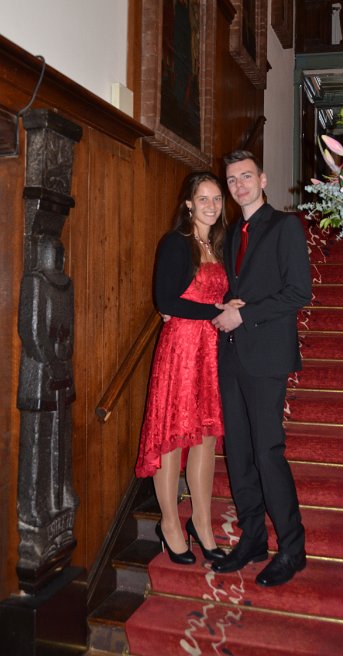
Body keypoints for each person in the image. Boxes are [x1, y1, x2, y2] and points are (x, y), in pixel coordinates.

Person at [211, 150, 312, 587]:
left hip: (266, 355)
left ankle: (292, 548)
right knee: (238, 451)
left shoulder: (285, 226)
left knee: (267, 451)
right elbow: (241, 287)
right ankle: (253, 538)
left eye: (246, 177)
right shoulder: (234, 232)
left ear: (263, 179)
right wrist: (228, 305)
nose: (239, 185)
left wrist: (244, 314)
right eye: (232, 180)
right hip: (232, 355)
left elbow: (299, 292)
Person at [135, 171, 231, 565]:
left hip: (211, 352)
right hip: (181, 351)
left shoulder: (220, 245)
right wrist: (215, 311)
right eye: (203, 199)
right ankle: (171, 525)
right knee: (173, 437)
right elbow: (166, 301)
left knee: (205, 439)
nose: (211, 206)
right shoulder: (176, 242)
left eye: (217, 199)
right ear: (189, 203)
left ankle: (203, 525)